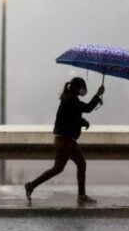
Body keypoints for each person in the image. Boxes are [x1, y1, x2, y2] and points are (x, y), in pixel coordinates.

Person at [24, 77, 105, 205]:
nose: (84, 90)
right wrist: (98, 95)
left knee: (81, 163)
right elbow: (87, 108)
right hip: (64, 140)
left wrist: (83, 122)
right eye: (83, 87)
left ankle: (82, 195)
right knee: (58, 168)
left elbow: (73, 118)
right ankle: (31, 185)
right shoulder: (71, 100)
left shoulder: (69, 99)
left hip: (68, 140)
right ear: (77, 88)